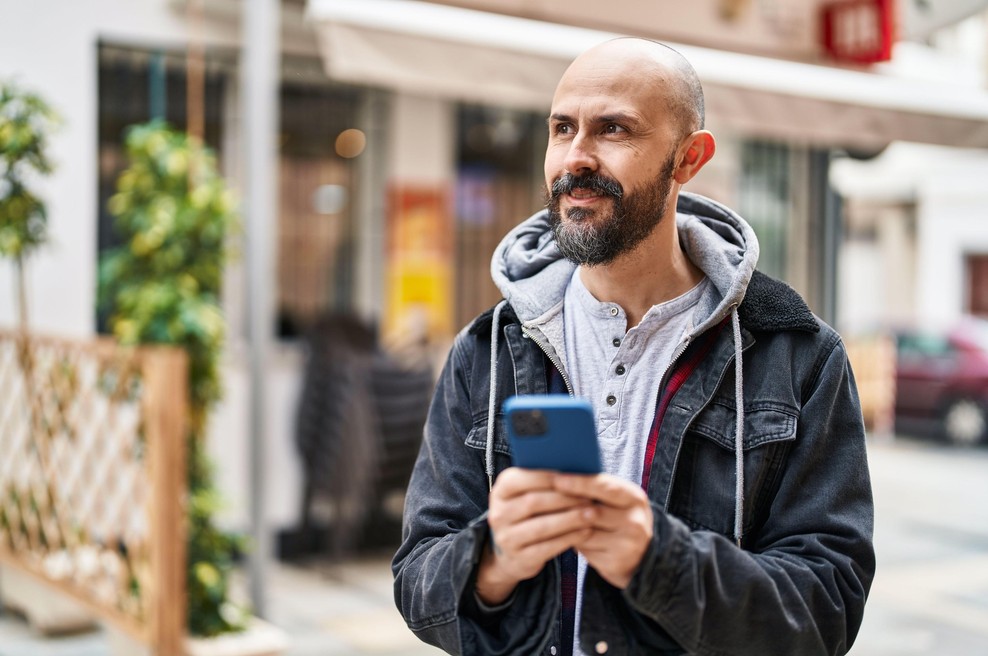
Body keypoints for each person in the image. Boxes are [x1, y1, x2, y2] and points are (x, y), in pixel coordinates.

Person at [393, 37, 875, 656]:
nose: (576, 158)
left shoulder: (797, 357)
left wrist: (660, 562)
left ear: (688, 159)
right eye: (561, 128)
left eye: (613, 129)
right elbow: (415, 580)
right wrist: (493, 558)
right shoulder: (487, 350)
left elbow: (827, 609)